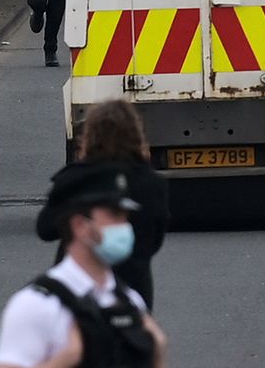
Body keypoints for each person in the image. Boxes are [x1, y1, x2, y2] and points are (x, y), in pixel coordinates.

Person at [0, 164, 168, 368]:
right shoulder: (36, 304)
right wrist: (67, 359)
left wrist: (155, 350)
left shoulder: (128, 301)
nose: (124, 227)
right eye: (113, 216)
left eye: (125, 217)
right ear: (80, 226)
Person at [38, 101, 170, 309]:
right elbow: (155, 239)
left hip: (77, 287)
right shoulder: (151, 183)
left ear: (90, 137)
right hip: (133, 288)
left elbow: (45, 229)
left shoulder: (75, 178)